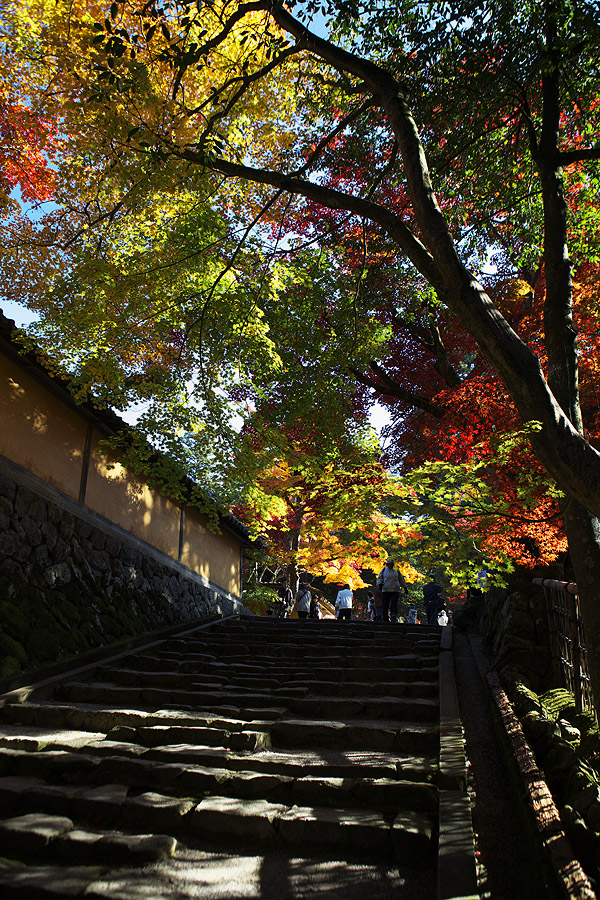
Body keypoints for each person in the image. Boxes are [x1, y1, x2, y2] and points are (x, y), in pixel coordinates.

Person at [376, 559, 408, 623]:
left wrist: (405, 587)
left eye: (391, 564)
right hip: (386, 589)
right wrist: (379, 584)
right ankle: (385, 618)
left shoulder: (396, 570)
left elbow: (401, 579)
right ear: (387, 564)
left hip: (395, 589)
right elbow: (379, 578)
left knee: (394, 603)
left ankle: (393, 615)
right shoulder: (383, 570)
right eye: (389, 564)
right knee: (385, 604)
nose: (390, 565)